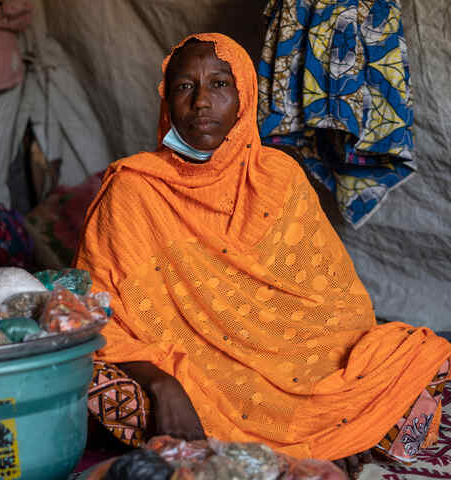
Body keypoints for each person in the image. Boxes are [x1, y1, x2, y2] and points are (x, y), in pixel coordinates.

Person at [75, 33, 450, 478]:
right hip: (202, 380)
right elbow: (96, 313)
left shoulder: (277, 177)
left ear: (244, 97)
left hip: (302, 367)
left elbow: (336, 301)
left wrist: (343, 396)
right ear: (167, 102)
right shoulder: (134, 190)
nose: (201, 102)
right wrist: (162, 382)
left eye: (219, 84)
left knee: (426, 361)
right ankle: (334, 442)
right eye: (184, 87)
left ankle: (334, 433)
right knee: (95, 382)